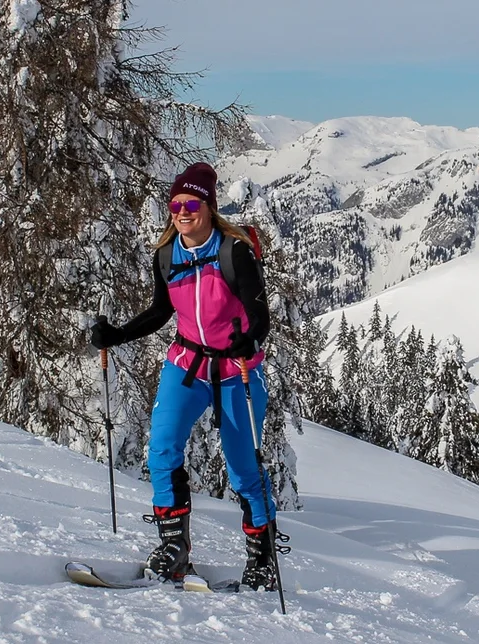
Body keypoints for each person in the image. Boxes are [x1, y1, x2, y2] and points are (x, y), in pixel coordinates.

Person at [88, 162, 282, 591]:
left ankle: (262, 559)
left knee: (244, 468)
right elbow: (161, 312)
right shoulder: (166, 255)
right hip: (187, 365)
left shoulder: (234, 252)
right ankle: (174, 549)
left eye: (191, 203)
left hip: (237, 371)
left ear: (209, 207)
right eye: (175, 204)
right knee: (161, 449)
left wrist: (250, 341)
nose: (182, 211)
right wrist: (115, 335)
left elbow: (259, 315)